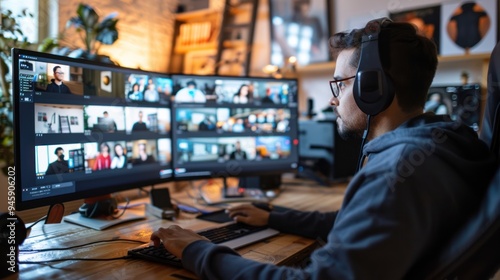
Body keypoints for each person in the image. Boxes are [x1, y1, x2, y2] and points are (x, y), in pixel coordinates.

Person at [150, 19, 497, 279]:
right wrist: (276, 216)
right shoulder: (445, 145)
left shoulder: (397, 172)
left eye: (340, 84)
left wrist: (198, 250)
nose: (332, 98)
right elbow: (360, 222)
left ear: (371, 88)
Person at [271, 0, 325, 65]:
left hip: (308, 62)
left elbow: (317, 49)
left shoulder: (314, 23)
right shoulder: (285, 24)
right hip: (289, 62)